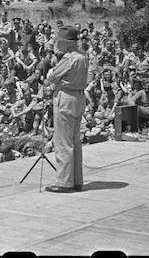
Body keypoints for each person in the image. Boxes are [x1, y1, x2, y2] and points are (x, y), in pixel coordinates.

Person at [44, 25, 88, 193]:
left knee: (63, 141)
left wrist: (52, 69)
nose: (58, 45)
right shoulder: (83, 57)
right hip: (79, 97)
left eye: (60, 42)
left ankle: (64, 182)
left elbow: (51, 76)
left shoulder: (69, 58)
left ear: (67, 43)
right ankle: (76, 180)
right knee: (75, 141)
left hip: (66, 97)